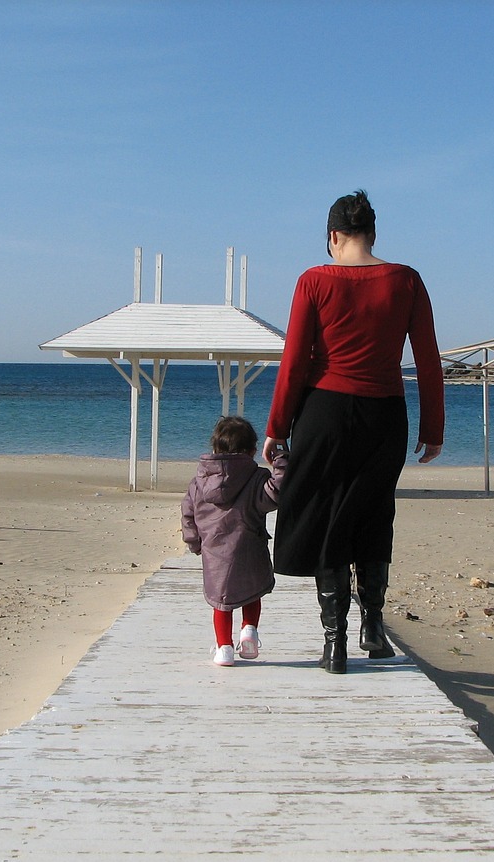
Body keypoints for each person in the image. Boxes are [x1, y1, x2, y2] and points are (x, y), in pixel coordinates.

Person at [261, 189, 444, 675]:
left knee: (325, 520)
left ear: (333, 237)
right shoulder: (406, 280)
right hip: (385, 416)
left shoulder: (314, 281)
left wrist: (277, 425)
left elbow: (295, 360)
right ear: (373, 233)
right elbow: (428, 360)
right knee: (373, 513)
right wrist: (434, 428)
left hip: (324, 412)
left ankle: (334, 642)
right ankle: (374, 626)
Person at [182, 416, 288, 666]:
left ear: (215, 449)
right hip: (250, 546)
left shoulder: (199, 482)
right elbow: (276, 492)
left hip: (215, 551)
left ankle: (224, 648)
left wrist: (194, 542)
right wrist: (281, 460)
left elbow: (188, 513)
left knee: (222, 601)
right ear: (253, 450)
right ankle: (249, 629)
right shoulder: (256, 478)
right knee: (252, 592)